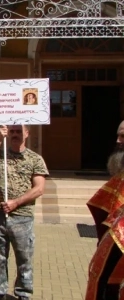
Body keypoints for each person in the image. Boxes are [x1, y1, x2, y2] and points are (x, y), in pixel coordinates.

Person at [0, 125, 49, 300]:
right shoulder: (2, 154)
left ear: (27, 133)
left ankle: (23, 293)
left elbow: (39, 188)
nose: (15, 135)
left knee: (24, 258)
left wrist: (16, 203)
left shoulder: (35, 159)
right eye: (12, 132)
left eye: (18, 131)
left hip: (22, 216)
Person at [85, 120, 124, 300]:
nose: (118, 141)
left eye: (123, 136)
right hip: (116, 233)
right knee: (102, 277)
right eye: (118, 135)